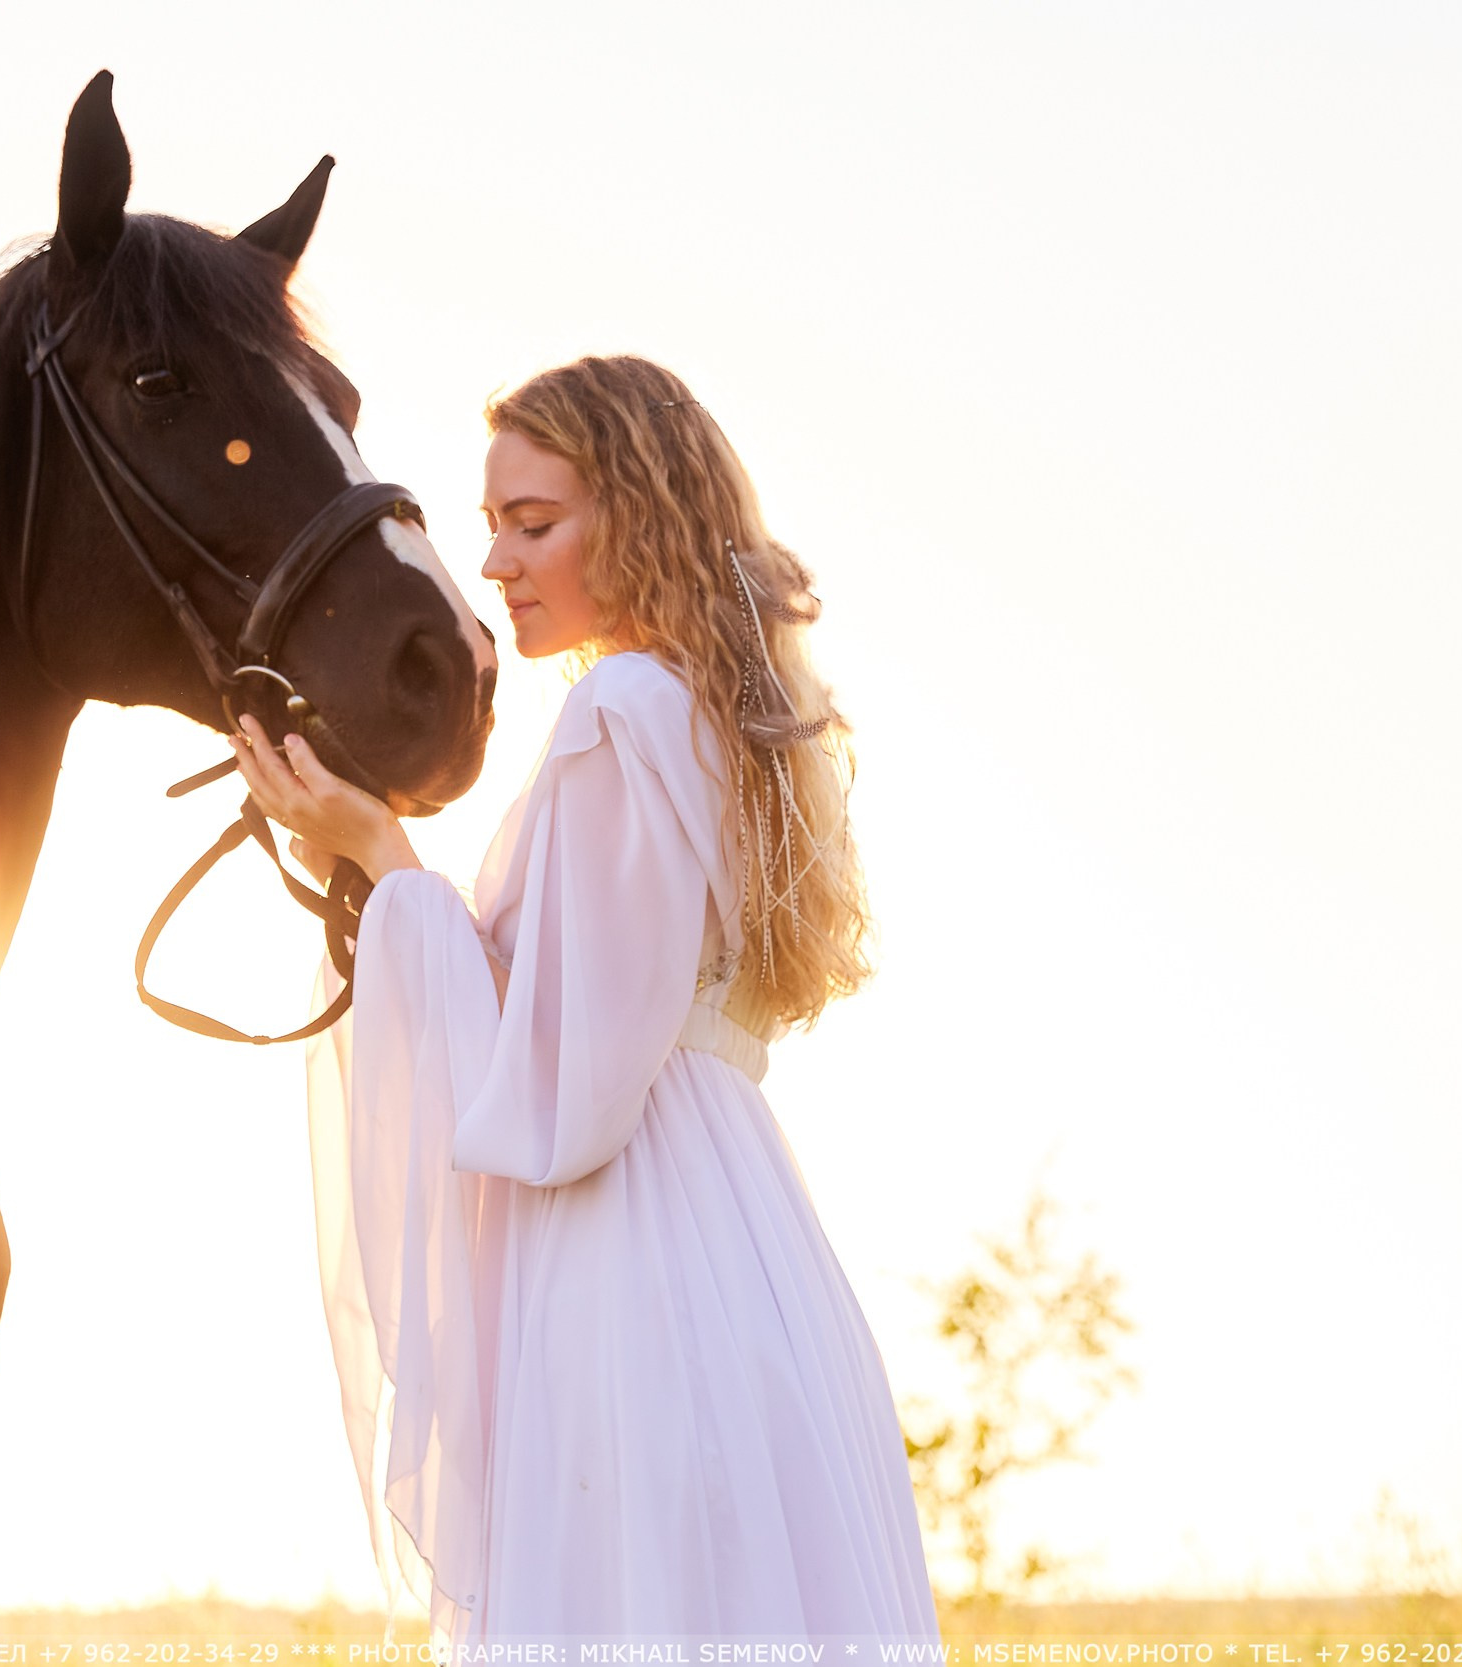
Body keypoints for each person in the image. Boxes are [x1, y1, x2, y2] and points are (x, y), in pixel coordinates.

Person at [228, 354, 943, 1649]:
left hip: (630, 1266)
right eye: (492, 521)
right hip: (752, 1254)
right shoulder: (724, 723)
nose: (493, 563)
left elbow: (556, 1092)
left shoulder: (623, 709)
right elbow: (586, 1025)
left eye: (533, 522)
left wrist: (379, 858)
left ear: (644, 515)